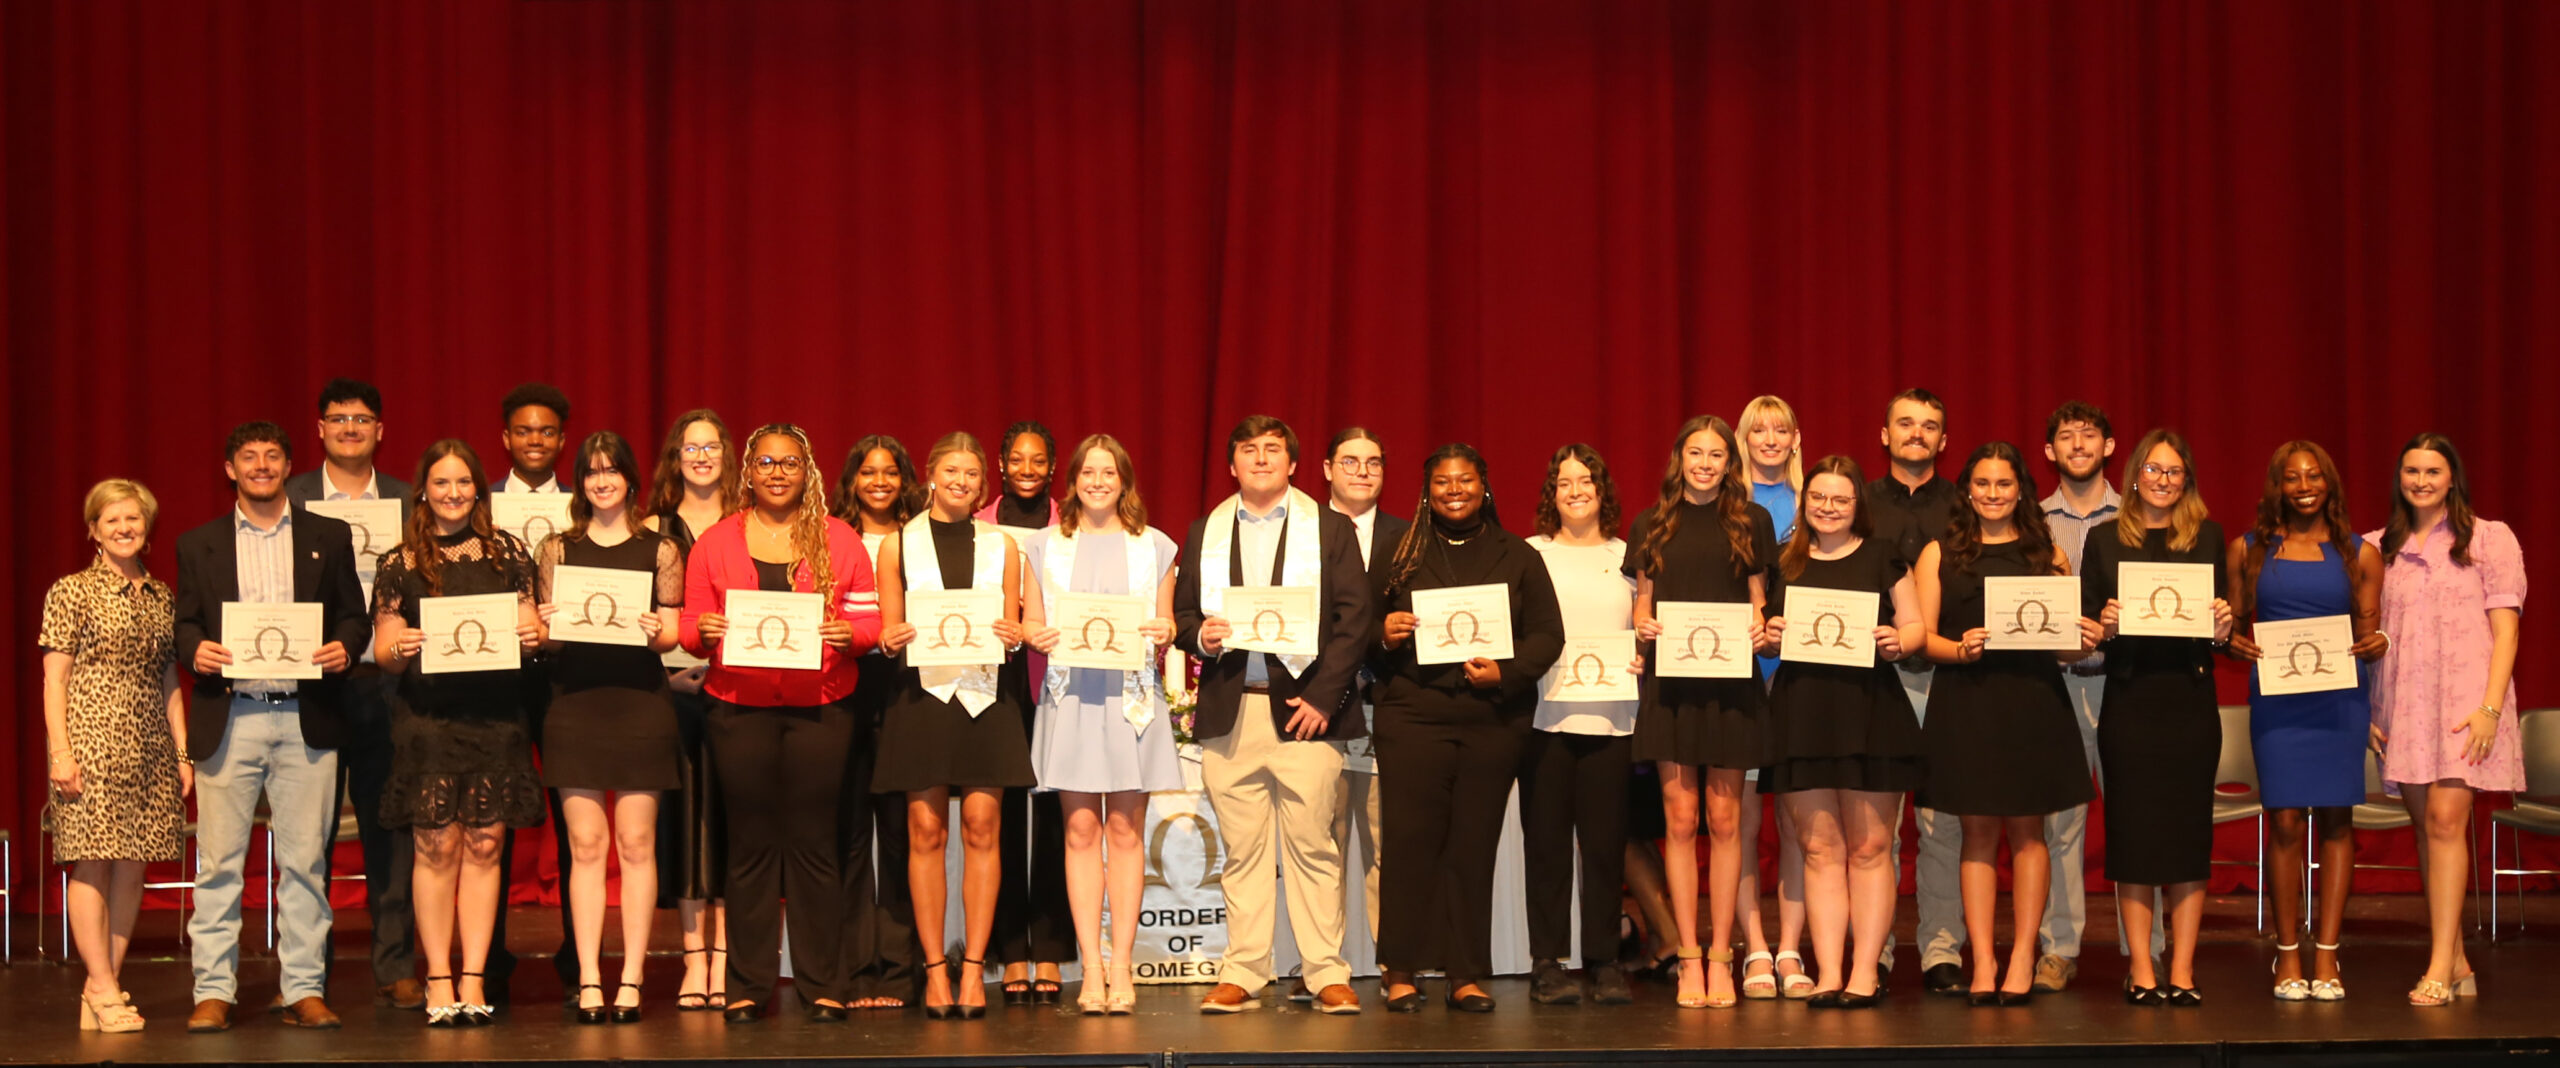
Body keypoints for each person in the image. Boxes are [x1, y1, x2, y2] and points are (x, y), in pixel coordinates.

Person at [677, 423, 883, 1023]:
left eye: (788, 463)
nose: (776, 473)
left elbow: (868, 623)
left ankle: (823, 984)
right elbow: (690, 628)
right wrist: (704, 632)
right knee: (750, 846)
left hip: (821, 706)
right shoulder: (716, 541)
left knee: (817, 845)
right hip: (737, 709)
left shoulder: (840, 539)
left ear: (807, 471)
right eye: (765, 463)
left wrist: (852, 635)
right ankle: (747, 984)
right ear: (749, 470)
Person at [173, 422, 371, 1033]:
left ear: (289, 465)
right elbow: (184, 625)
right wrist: (197, 650)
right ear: (229, 468)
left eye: (272, 456)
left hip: (305, 719)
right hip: (230, 716)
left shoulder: (328, 536)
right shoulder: (198, 543)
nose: (261, 465)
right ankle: (213, 991)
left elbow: (353, 619)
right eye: (248, 457)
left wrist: (341, 647)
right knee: (219, 864)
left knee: (307, 863)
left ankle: (303, 990)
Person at [1173, 415, 1373, 1015]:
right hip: (1234, 714)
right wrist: (1200, 637)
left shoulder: (1330, 529)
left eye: (1272, 450)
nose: (1260, 459)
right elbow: (1184, 618)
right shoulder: (1204, 529)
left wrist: (1324, 697)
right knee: (1243, 851)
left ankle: (1325, 972)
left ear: (1291, 465)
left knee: (1314, 844)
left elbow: (1355, 620)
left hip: (1306, 712)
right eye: (1248, 451)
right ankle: (1245, 970)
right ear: (1231, 465)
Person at [1374, 444, 1565, 1013]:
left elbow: (1547, 636)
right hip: (1412, 714)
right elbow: (1360, 627)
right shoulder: (1398, 550)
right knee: (1410, 844)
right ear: (1426, 491)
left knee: (1473, 846)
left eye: (1464, 481)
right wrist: (1386, 634)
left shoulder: (1518, 555)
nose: (1453, 491)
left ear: (1485, 486)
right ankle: (1401, 969)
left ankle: (1465, 973)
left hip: (1491, 722)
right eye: (1441, 483)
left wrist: (1505, 673)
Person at [1913, 442, 2099, 1005]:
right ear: (1967, 489)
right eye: (1983, 484)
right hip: (1966, 702)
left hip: (2033, 705)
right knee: (1975, 833)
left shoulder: (2049, 554)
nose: (1993, 494)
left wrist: (2080, 641)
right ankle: (1985, 962)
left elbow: (2063, 649)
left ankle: (2022, 955)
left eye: (2004, 484)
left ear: (2021, 490)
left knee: (2029, 834)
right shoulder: (1938, 552)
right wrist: (1961, 650)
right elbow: (1924, 638)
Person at [371, 439, 547, 1027]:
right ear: (424, 489)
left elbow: (530, 625)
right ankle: (437, 977)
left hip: (496, 720)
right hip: (429, 723)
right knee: (436, 846)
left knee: (485, 844)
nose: (453, 493)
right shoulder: (401, 561)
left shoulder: (509, 553)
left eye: (464, 483)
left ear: (478, 489)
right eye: (441, 483)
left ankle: (474, 976)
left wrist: (533, 636)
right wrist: (399, 647)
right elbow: (385, 650)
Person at [870, 432, 1036, 1020]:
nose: (962, 480)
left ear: (981, 483)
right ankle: (935, 970)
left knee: (985, 828)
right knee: (925, 831)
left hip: (988, 697)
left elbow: (1016, 623)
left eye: (971, 473)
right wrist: (890, 637)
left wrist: (1015, 633)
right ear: (932, 477)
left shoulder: (1005, 546)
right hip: (921, 696)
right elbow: (890, 628)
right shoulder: (897, 545)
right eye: (951, 470)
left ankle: (974, 974)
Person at [1019, 434, 1184, 1015]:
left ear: (1124, 480)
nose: (1096, 481)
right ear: (1073, 480)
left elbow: (1166, 622)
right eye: (1087, 472)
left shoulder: (1156, 547)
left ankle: (1122, 966)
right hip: (1073, 701)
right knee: (1081, 830)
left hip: (1130, 701)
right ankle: (1090, 969)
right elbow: (1032, 620)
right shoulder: (1043, 547)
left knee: (1125, 833)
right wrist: (1034, 634)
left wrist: (1166, 631)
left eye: (1107, 472)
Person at [1761, 456, 1925, 1009]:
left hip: (1871, 712)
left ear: (1859, 506)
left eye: (1841, 499)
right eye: (1818, 499)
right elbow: (1763, 632)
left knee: (1872, 846)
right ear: (1804, 505)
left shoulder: (1884, 558)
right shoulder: (1786, 562)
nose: (1828, 508)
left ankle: (1864, 973)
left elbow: (1915, 624)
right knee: (1819, 848)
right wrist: (1770, 634)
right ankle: (1829, 973)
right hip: (1802, 713)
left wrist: (1902, 639)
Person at [1627, 415, 1780, 1009]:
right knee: (1679, 819)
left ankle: (1723, 956)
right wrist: (1641, 627)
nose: (1706, 463)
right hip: (1671, 687)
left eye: (1717, 454)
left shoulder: (1752, 521)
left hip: (1731, 687)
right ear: (1679, 458)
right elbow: (1641, 606)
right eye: (1696, 452)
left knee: (1725, 820)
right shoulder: (1651, 523)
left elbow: (1759, 602)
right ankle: (1688, 956)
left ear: (1729, 462)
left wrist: (1761, 628)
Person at [2368, 433, 2525, 1007]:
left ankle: (2437, 965)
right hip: (2404, 704)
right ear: (2400, 477)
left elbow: (2506, 629)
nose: (2422, 480)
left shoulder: (2490, 538)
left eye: (2433, 470)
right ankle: (2456, 960)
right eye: (2411, 470)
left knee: (2444, 820)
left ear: (2452, 477)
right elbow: (2364, 639)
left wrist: (2489, 708)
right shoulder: (2377, 546)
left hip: (2468, 706)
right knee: (2427, 832)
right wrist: (2367, 710)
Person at [534, 432, 686, 1023]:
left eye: (612, 470)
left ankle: (632, 977)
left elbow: (672, 636)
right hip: (575, 705)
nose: (602, 480)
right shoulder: (557, 549)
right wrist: (547, 626)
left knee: (637, 844)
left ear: (629, 478)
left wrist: (655, 628)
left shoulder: (661, 549)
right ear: (581, 480)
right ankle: (590, 978)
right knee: (586, 847)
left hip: (641, 704)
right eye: (592, 471)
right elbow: (546, 641)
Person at [2227, 440, 2386, 1001]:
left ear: (2329, 483)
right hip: (2278, 701)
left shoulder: (2359, 553)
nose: (2303, 487)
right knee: (2287, 820)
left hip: (2339, 701)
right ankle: (2288, 952)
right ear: (2277, 486)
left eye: (2313, 476)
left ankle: (2328, 955)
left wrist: (2377, 642)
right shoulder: (2246, 549)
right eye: (2291, 478)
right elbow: (2231, 628)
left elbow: (2372, 630)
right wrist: (2233, 643)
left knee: (2339, 821)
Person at [283, 378, 423, 1010]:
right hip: (308, 687)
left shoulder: (406, 500)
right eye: (337, 418)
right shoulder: (286, 498)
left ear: (379, 430)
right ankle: (304, 977)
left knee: (389, 832)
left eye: (361, 419)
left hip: (385, 685)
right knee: (305, 837)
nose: (349, 428)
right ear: (319, 429)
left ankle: (396, 965)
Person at [2082, 430, 2234, 1005]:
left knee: (2188, 839)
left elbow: (2224, 629)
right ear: (2134, 476)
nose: (2163, 480)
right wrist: (2107, 625)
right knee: (2135, 840)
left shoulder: (2210, 537)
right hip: (2130, 703)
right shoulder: (2102, 541)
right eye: (2154, 470)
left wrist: (2223, 629)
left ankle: (2184, 970)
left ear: (2187, 479)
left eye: (2174, 471)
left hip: (2191, 706)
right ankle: (2143, 969)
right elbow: (2087, 633)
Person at [41, 479, 187, 1032]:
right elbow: (54, 679)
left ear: (146, 529)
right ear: (93, 531)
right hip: (90, 744)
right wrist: (61, 751)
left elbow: (170, 676)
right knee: (92, 859)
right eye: (113, 521)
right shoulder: (71, 590)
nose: (125, 528)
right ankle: (102, 988)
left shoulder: (161, 595)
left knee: (132, 865)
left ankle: (103, 986)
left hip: (150, 747)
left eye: (134, 520)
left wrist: (184, 753)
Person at [1521, 444, 1639, 1007]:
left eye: (1585, 480)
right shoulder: (1529, 554)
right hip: (1543, 721)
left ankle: (1605, 960)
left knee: (1604, 848)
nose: (1575, 490)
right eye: (1564, 481)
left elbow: (1645, 629)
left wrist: (1644, 654)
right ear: (1552, 492)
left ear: (1601, 490)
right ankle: (1547, 961)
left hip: (1613, 722)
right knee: (1545, 847)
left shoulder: (1629, 556)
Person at [1862, 388, 1966, 995]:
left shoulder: (1964, 505)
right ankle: (1872, 950)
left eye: (1929, 426)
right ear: (1885, 434)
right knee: (1875, 827)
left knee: (1941, 823)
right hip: (1874, 678)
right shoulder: (1859, 502)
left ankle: (1940, 949)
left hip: (1949, 679)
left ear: (1943, 440)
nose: (1916, 433)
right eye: (1905, 423)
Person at [642, 409, 739, 1011]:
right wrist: (669, 674)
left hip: (738, 692)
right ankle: (692, 957)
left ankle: (725, 958)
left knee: (730, 821)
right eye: (689, 448)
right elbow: (643, 616)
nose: (701, 457)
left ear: (726, 455)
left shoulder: (749, 524)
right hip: (671, 695)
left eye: (711, 447)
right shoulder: (651, 528)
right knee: (682, 826)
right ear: (675, 459)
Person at [488, 381, 579, 1004]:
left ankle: (579, 957)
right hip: (496, 679)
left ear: (562, 440)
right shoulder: (477, 505)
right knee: (490, 816)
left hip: (570, 676)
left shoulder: (588, 504)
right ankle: (488, 958)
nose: (536, 441)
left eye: (546, 431)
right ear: (506, 439)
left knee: (576, 820)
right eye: (524, 431)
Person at [831, 436, 926, 1010]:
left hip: (903, 691)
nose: (880, 482)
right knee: (844, 835)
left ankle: (897, 970)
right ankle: (853, 969)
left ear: (906, 479)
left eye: (891, 472)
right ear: (852, 479)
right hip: (839, 688)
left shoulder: (920, 540)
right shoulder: (828, 538)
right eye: (868, 472)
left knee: (898, 833)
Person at [980, 421, 1072, 1005]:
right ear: (1001, 463)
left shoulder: (1074, 527)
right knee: (1006, 815)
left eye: (1039, 460)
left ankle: (1054, 949)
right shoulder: (979, 526)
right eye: (1018, 459)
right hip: (995, 682)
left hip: (1059, 680)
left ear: (1053, 466)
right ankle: (1012, 950)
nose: (1028, 469)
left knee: (1061, 815)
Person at [2031, 401, 2122, 993]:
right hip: (2056, 688)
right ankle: (2058, 949)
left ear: (2110, 447)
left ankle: (2152, 947)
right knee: (2059, 824)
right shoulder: (2031, 522)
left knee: (2139, 817)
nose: (2079, 444)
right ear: (2049, 452)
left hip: (2127, 686)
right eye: (2066, 436)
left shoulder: (2143, 515)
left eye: (2090, 435)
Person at [1322, 427, 1406, 986]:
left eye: (1373, 462)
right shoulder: (1301, 531)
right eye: (1350, 462)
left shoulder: (1409, 537)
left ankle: (1395, 963)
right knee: (1320, 846)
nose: (1362, 472)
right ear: (1326, 468)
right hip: (1318, 710)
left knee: (1389, 848)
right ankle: (1323, 969)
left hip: (1388, 709)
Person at [1735, 395, 1810, 999]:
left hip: (1803, 678)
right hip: (1736, 679)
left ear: (1794, 438)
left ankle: (1791, 948)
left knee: (1797, 823)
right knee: (1739, 822)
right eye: (1758, 429)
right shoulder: (1723, 503)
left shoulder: (1818, 500)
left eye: (1779, 428)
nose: (1769, 438)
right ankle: (1753, 947)